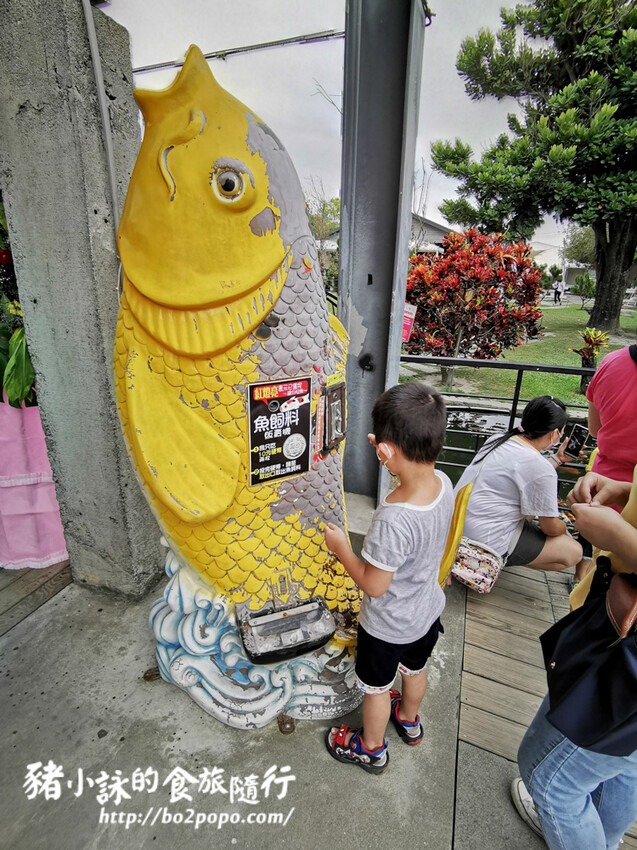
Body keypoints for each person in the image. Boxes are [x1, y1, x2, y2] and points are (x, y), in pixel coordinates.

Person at [323, 382, 453, 774]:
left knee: (376, 688)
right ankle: (410, 723)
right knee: (415, 669)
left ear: (385, 451)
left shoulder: (393, 517)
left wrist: (341, 547)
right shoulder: (443, 483)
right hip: (426, 612)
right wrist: (387, 448)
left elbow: (375, 585)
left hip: (387, 627)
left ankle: (372, 747)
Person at [511, 468, 637, 849]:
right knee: (626, 759)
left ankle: (573, 826)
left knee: (550, 779)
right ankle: (596, 836)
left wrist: (618, 537)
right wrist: (626, 491)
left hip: (624, 648)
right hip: (620, 621)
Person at [454, 395, 582, 572]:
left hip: (456, 528)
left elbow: (530, 474)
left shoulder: (498, 439)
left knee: (529, 511)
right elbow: (550, 528)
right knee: (574, 552)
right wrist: (564, 526)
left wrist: (558, 459)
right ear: (554, 434)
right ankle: (492, 562)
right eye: (560, 432)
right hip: (479, 542)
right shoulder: (540, 466)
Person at [571, 342, 637, 588]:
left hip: (603, 495)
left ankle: (579, 578)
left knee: (597, 583)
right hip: (611, 499)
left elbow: (595, 429)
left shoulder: (613, 362)